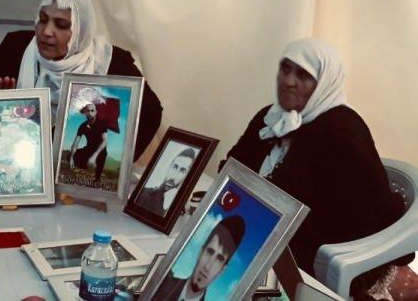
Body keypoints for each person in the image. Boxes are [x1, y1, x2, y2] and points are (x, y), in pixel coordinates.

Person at [223, 38, 406, 296]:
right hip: (259, 235)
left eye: (303, 75)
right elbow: (233, 168)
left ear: (325, 83)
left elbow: (349, 222)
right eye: (285, 69)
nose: (288, 81)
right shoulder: (271, 117)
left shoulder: (342, 133)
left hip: (317, 253)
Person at [0, 0, 162, 161]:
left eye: (61, 25)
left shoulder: (110, 61)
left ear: (81, 29)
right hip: (19, 167)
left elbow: (151, 113)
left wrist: (120, 164)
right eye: (42, 20)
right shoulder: (16, 46)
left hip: (77, 175)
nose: (46, 32)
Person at [154, 215, 246, 300]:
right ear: (200, 252)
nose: (207, 267)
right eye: (210, 252)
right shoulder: (161, 286)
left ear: (222, 271)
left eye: (219, 259)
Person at [136, 147, 196, 216]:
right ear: (169, 167)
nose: (173, 176)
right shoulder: (143, 194)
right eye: (174, 167)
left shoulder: (182, 207)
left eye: (182, 171)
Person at [69, 103, 109, 182]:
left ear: (96, 112)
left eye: (92, 111)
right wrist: (71, 158)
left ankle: (97, 178)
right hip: (89, 149)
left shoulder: (101, 123)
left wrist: (94, 156)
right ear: (85, 113)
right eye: (88, 111)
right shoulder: (83, 126)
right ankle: (84, 166)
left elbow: (105, 141)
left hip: (100, 150)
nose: (90, 113)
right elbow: (75, 143)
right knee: (70, 156)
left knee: (102, 154)